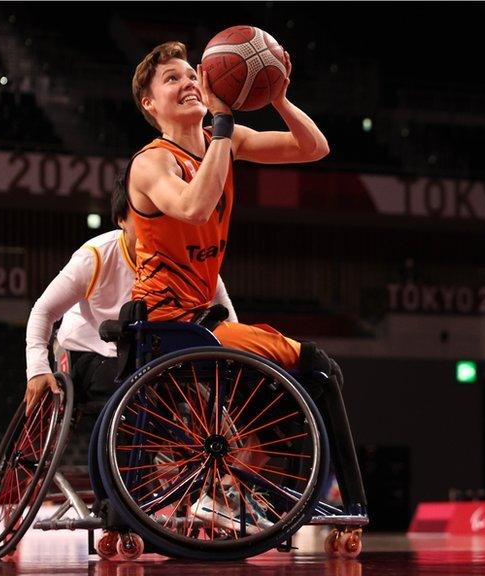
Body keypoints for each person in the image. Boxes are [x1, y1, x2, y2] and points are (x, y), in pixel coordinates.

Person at [125, 41, 366, 516]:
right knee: (316, 364)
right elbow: (195, 208)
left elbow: (314, 148)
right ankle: (331, 502)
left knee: (305, 374)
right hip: (167, 322)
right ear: (149, 104)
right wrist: (222, 129)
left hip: (200, 320)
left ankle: (289, 496)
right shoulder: (152, 162)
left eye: (191, 74)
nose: (189, 82)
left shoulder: (225, 142)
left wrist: (276, 96)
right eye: (171, 79)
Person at [23, 184, 237, 415]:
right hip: (87, 350)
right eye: (144, 214)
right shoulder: (94, 257)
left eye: (163, 215)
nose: (155, 223)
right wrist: (37, 369)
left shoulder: (188, 259)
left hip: (144, 359)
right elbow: (43, 311)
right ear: (121, 219)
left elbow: (228, 321)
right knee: (136, 397)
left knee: (174, 394)